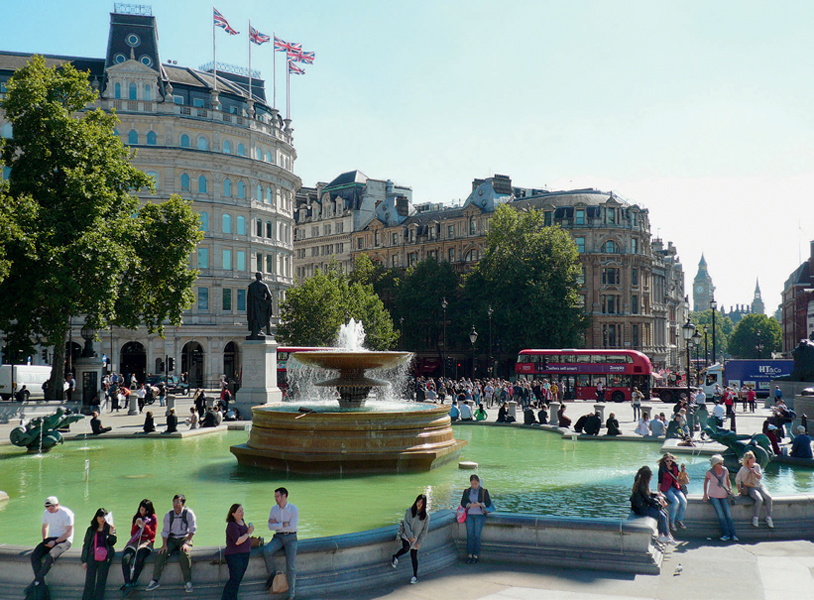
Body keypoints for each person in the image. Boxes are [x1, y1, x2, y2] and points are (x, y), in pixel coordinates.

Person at [145, 494, 197, 593]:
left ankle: (188, 582)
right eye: (174, 502)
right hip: (172, 539)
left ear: (183, 503)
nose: (175, 505)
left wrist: (186, 543)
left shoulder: (189, 513)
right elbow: (165, 531)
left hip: (184, 538)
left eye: (178, 502)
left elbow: (193, 529)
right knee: (161, 554)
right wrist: (164, 545)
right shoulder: (169, 515)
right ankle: (155, 580)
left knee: (184, 555)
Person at [27, 496, 74, 594]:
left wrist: (56, 542)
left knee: (51, 555)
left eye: (51, 508)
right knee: (35, 555)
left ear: (57, 505)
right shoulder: (46, 513)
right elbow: (45, 527)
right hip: (51, 538)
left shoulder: (66, 514)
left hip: (65, 540)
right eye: (47, 509)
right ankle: (41, 584)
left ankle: (37, 580)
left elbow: (69, 532)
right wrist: (45, 540)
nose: (49, 511)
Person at [263, 487, 298, 599]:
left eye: (277, 496)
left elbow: (292, 526)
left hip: (291, 538)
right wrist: (283, 524)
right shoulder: (274, 509)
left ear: (284, 496)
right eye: (275, 497)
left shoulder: (294, 509)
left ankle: (291, 594)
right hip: (278, 537)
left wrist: (277, 524)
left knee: (290, 567)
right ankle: (272, 573)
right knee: (267, 551)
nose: (276, 499)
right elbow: (270, 526)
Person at [391, 494, 430, 585]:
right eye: (418, 502)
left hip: (416, 539)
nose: (419, 504)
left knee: (414, 557)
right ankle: (395, 556)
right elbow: (406, 524)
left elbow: (424, 531)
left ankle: (415, 576)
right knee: (406, 547)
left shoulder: (426, 516)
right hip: (407, 536)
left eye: (421, 503)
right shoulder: (409, 511)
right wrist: (410, 536)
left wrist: (418, 541)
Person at [629, 466, 673, 544]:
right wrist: (658, 500)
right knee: (661, 514)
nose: (652, 477)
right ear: (648, 476)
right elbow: (648, 499)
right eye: (651, 475)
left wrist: (657, 496)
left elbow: (647, 495)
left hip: (642, 506)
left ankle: (664, 534)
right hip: (640, 508)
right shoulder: (642, 485)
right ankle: (664, 536)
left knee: (664, 513)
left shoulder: (642, 482)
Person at [121, 499, 157, 592]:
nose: (143, 512)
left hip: (147, 541)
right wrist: (136, 525)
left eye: (145, 510)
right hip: (135, 540)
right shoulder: (136, 517)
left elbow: (152, 535)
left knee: (140, 557)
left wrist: (146, 526)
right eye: (141, 510)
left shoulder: (153, 518)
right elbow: (133, 533)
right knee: (125, 558)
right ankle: (127, 582)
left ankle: (134, 580)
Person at [80, 507, 117, 600]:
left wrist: (112, 534)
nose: (102, 519)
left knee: (101, 582)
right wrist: (84, 560)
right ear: (96, 517)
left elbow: (112, 542)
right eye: (100, 517)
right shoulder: (91, 529)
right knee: (89, 582)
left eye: (104, 517)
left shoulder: (110, 527)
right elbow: (86, 544)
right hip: (92, 556)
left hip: (105, 557)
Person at [222, 504, 255, 600]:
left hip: (244, 554)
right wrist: (248, 533)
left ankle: (233, 598)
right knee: (234, 579)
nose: (242, 513)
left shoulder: (242, 521)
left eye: (242, 510)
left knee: (238, 579)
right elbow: (237, 541)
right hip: (234, 555)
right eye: (239, 511)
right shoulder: (232, 525)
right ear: (233, 514)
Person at [703, 454, 738, 542]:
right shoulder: (709, 472)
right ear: (715, 464)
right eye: (720, 463)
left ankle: (733, 534)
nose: (721, 465)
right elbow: (705, 483)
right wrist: (705, 494)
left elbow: (727, 480)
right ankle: (726, 534)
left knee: (728, 515)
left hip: (724, 495)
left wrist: (730, 489)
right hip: (713, 495)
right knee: (721, 515)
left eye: (722, 463)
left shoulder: (725, 470)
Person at [735, 451, 774, 529]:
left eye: (754, 458)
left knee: (768, 498)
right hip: (751, 487)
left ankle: (768, 517)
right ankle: (755, 518)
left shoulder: (757, 466)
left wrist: (754, 472)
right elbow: (737, 480)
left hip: (759, 486)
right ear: (748, 460)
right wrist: (739, 490)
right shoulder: (743, 469)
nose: (754, 460)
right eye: (753, 458)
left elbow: (760, 477)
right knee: (759, 499)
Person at [460, 474, 493, 563]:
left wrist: (480, 504)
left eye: (475, 483)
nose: (474, 486)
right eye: (472, 484)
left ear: (478, 482)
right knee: (470, 535)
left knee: (477, 535)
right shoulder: (467, 491)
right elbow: (463, 502)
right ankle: (469, 554)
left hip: (479, 515)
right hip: (469, 515)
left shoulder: (484, 491)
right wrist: (469, 505)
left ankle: (476, 555)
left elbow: (488, 503)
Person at [657, 453, 687, 531]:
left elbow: (680, 478)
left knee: (684, 502)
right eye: (667, 461)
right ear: (664, 461)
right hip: (666, 489)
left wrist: (683, 471)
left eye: (670, 460)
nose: (669, 462)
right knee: (675, 502)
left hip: (676, 487)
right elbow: (659, 481)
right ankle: (671, 522)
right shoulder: (662, 469)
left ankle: (679, 520)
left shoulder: (675, 466)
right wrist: (659, 492)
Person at [247, 272, 274, 338]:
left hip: (253, 306)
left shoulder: (251, 286)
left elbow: (248, 298)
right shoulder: (264, 285)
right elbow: (270, 296)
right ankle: (268, 331)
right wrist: (266, 302)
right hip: (262, 306)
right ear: (261, 277)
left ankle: (255, 331)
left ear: (256, 277)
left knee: (254, 318)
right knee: (267, 317)